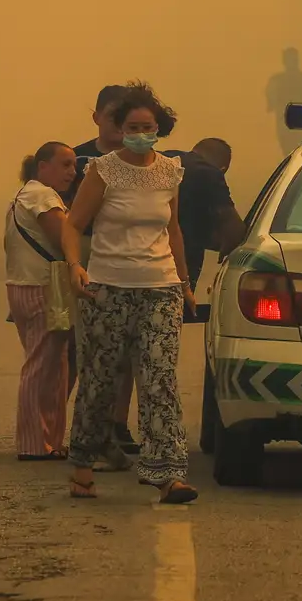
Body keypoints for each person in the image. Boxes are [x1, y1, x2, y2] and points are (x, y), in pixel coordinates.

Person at [62, 83, 197, 505]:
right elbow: (73, 224)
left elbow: (172, 229)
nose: (142, 133)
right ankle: (84, 460)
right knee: (100, 379)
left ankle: (168, 472)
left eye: (149, 127)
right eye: (133, 127)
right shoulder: (103, 170)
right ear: (119, 129)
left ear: (160, 129)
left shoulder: (170, 172)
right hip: (109, 289)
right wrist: (74, 266)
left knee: (160, 380)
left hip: (160, 288)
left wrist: (185, 283)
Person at [70, 84, 139, 463]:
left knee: (127, 348)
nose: (117, 124)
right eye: (111, 116)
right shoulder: (76, 160)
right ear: (95, 117)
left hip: (130, 260)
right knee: (87, 347)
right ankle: (78, 428)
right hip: (88, 253)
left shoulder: (144, 162)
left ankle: (117, 422)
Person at [5, 141, 76, 461]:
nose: (71, 173)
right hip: (42, 289)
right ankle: (34, 443)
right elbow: (65, 238)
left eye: (73, 166)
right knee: (41, 367)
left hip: (25, 287)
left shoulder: (23, 196)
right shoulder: (42, 196)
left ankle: (49, 439)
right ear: (42, 166)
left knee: (54, 366)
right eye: (65, 165)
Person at [178, 137, 248, 294]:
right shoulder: (208, 173)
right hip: (179, 264)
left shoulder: (165, 159)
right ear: (222, 169)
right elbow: (235, 230)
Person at [266, 48, 302, 157]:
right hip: (289, 123)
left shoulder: (279, 80)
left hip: (299, 123)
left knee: (296, 150)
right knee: (292, 150)